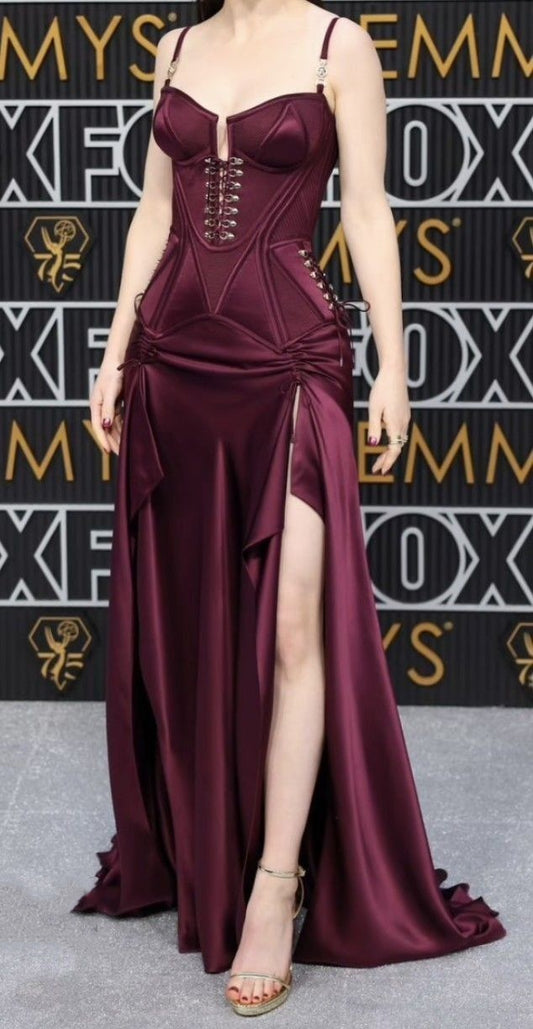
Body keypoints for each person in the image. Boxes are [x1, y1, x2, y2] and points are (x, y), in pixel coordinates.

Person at [72, 0, 506, 1018]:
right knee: (192, 621)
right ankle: (206, 841)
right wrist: (113, 350)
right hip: (173, 360)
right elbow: (154, 210)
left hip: (289, 361)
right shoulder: (177, 47)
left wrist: (393, 364)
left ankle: (275, 883)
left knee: (294, 624)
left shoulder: (335, 45)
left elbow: (366, 209)